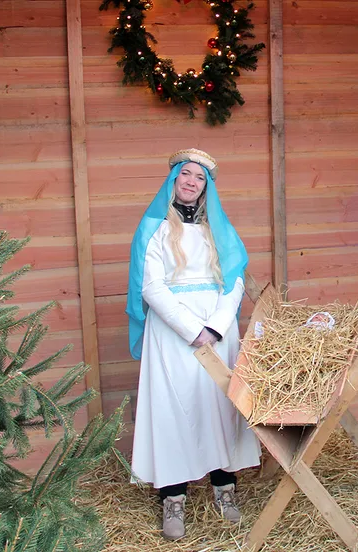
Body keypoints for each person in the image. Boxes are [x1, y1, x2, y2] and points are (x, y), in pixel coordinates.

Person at [126, 148, 261, 540]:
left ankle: (225, 488)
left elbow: (234, 280)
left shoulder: (219, 229)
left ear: (206, 187)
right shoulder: (154, 228)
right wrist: (192, 330)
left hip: (218, 329)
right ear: (173, 180)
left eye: (199, 177)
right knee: (175, 409)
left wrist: (216, 328)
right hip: (172, 333)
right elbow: (150, 287)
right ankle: (173, 497)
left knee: (219, 405)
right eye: (185, 174)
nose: (191, 181)